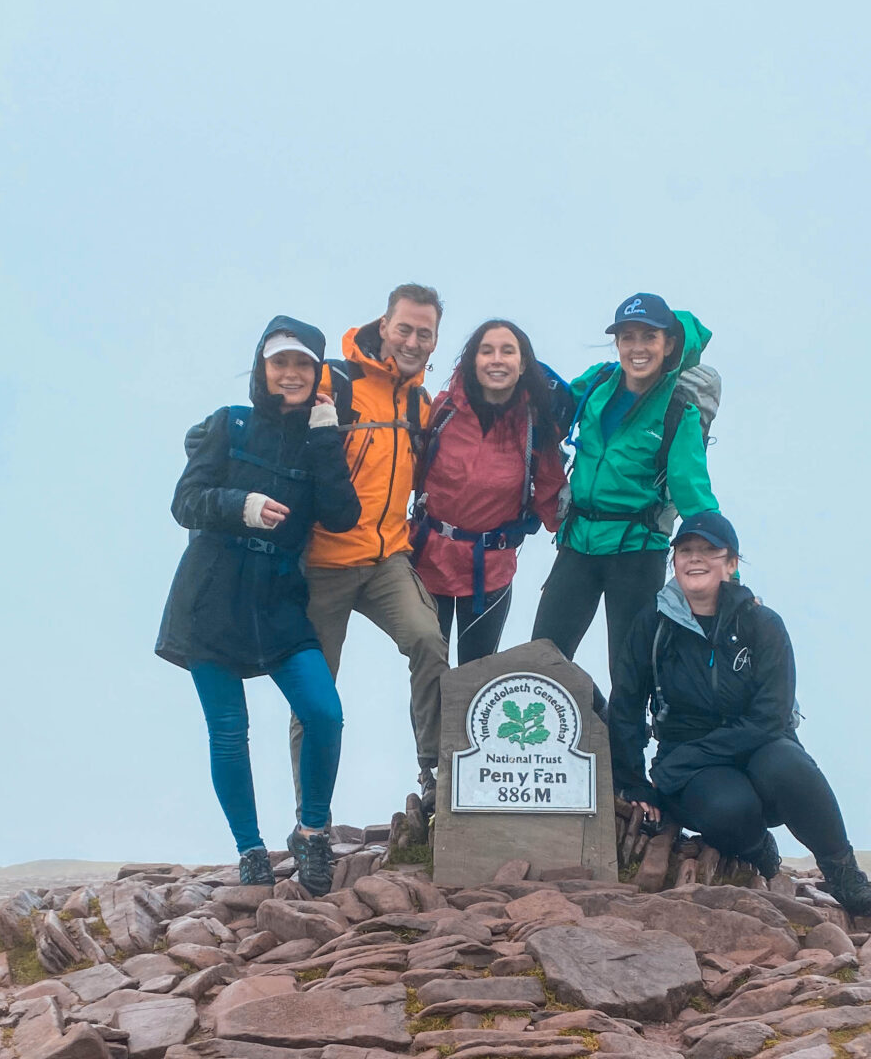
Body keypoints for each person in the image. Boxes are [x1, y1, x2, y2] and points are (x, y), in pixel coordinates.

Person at [608, 510, 871, 918]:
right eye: (686, 550)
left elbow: (771, 718)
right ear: (673, 562)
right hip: (692, 761)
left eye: (710, 550)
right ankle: (754, 847)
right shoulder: (652, 626)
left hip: (757, 746)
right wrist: (634, 783)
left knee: (791, 767)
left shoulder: (762, 625)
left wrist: (682, 762)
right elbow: (625, 703)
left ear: (731, 564)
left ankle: (844, 875)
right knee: (730, 807)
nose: (696, 558)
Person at [156, 316, 361, 893]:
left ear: (318, 372)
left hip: (278, 599)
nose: (291, 373)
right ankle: (250, 850)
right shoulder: (229, 424)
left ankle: (312, 833)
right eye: (281, 363)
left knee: (323, 712)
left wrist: (325, 432)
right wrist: (242, 505)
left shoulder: (321, 436)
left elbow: (343, 515)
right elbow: (185, 501)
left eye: (303, 364)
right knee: (228, 730)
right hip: (212, 594)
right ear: (262, 368)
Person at [292, 284, 452, 810]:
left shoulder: (421, 403)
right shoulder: (334, 380)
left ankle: (435, 774)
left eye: (423, 333)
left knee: (429, 641)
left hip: (387, 557)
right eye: (403, 328)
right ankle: (311, 821)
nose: (411, 340)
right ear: (383, 326)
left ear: (434, 341)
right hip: (322, 562)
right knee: (316, 694)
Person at [531, 290, 719, 680]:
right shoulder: (599, 382)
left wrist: (723, 568)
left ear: (668, 345)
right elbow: (554, 408)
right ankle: (567, 731)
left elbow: (694, 494)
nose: (637, 348)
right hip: (577, 543)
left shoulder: (676, 411)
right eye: (627, 337)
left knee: (631, 675)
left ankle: (624, 742)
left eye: (648, 337)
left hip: (636, 553)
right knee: (540, 661)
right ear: (616, 343)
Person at [413, 319, 570, 664]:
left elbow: (552, 501)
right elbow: (403, 467)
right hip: (429, 557)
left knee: (477, 676)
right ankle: (430, 723)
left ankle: (465, 721)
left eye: (507, 351)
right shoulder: (442, 410)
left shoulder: (535, 426)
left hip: (490, 568)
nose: (496, 359)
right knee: (428, 670)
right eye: (487, 351)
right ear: (472, 360)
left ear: (523, 363)